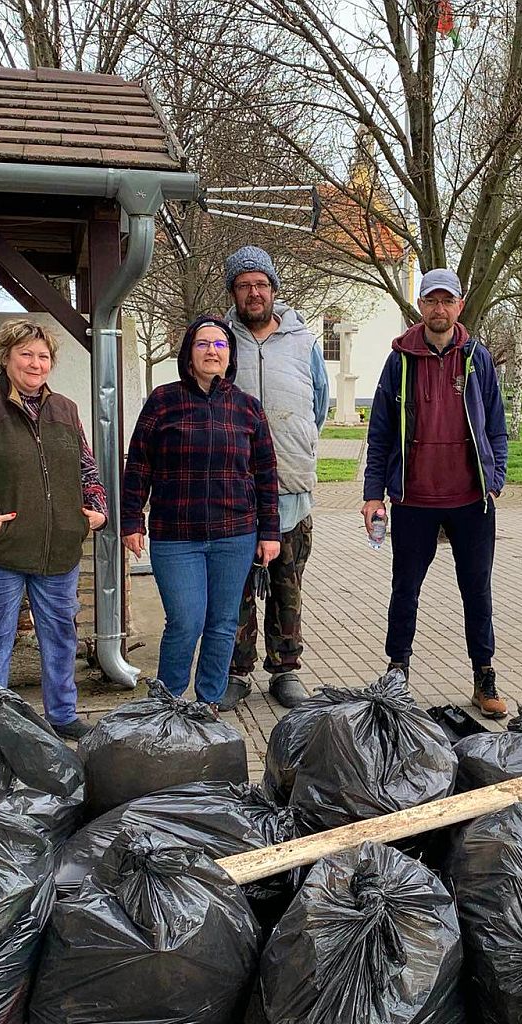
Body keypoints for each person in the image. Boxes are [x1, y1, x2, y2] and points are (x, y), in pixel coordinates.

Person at [0, 318, 108, 739]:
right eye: (26, 354)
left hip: (58, 550)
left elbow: (86, 466)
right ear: (6, 358)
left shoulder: (65, 409)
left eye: (43, 356)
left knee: (61, 637)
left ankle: (63, 715)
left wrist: (97, 507)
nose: (35, 363)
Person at [361, 268, 510, 718]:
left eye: (447, 301)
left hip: (470, 499)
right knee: (404, 589)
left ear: (459, 306)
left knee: (477, 591)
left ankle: (484, 676)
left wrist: (495, 477)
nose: (439, 309)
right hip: (413, 499)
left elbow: (497, 427)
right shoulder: (399, 360)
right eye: (431, 301)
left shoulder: (477, 358)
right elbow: (380, 432)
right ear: (420, 306)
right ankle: (397, 672)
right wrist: (373, 495)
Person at [121, 316, 281, 709]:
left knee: (223, 624)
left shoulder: (248, 409)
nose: (213, 351)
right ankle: (169, 702)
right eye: (203, 344)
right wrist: (130, 520)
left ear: (230, 357)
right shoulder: (163, 401)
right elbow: (139, 465)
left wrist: (270, 532)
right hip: (176, 536)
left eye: (221, 345)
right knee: (186, 621)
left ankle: (208, 701)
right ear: (189, 356)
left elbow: (265, 474)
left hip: (235, 533)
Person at [218, 246, 330, 711]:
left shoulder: (304, 342)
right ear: (233, 293)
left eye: (261, 284)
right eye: (243, 285)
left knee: (288, 583)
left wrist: (296, 440)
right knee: (237, 586)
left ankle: (285, 670)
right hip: (236, 491)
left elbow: (319, 404)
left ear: (274, 289)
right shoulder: (220, 340)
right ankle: (236, 670)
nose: (253, 293)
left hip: (291, 488)